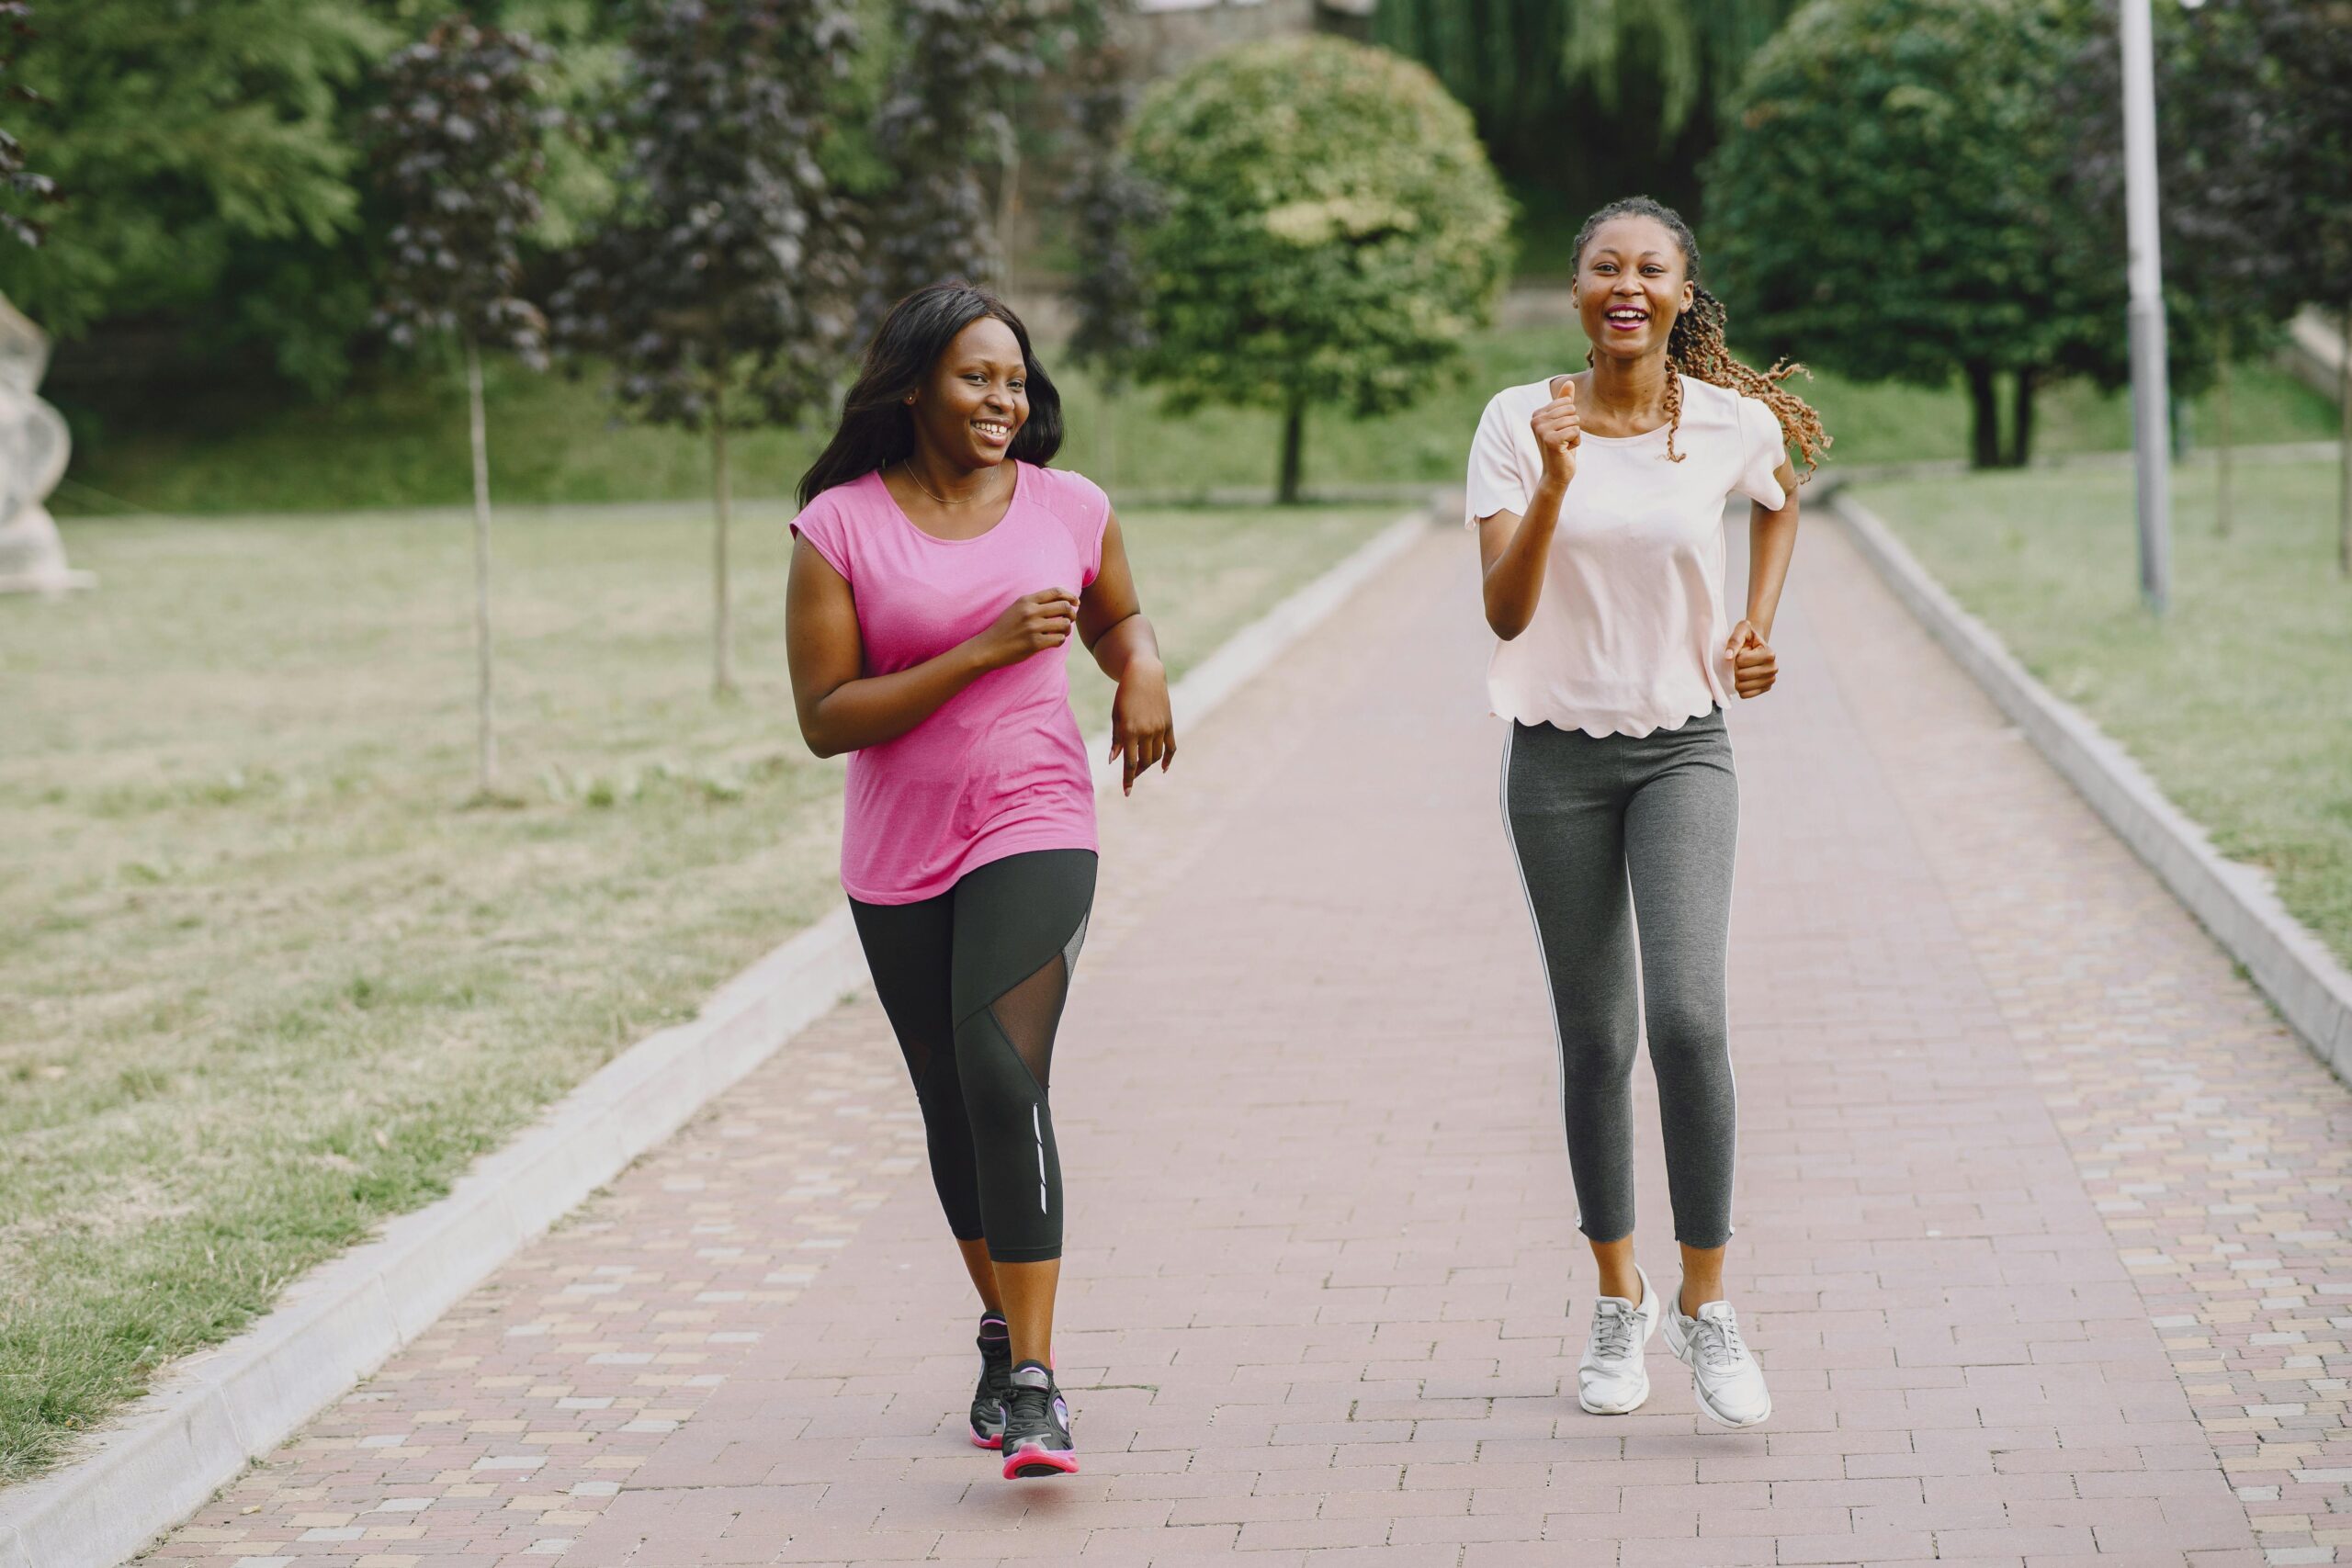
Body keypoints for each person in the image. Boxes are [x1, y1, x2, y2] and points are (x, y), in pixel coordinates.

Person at [786, 282, 1176, 1479]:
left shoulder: (1069, 505)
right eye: (976, 377)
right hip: (898, 850)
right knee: (950, 1102)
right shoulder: (839, 527)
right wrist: (981, 651)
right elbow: (826, 718)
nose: (1003, 398)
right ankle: (1003, 1331)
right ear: (914, 386)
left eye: (1015, 379)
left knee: (1003, 1077)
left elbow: (1118, 618)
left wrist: (1142, 669)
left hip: (1034, 813)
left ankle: (1040, 1385)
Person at [1466, 196, 1829, 1430]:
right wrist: (1557, 481)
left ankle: (1707, 1305)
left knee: (1686, 1016)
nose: (1628, 285)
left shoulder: (1729, 422)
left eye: (1651, 268)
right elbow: (1505, 612)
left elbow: (1781, 497)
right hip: (1554, 759)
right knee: (1597, 1039)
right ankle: (1618, 1297)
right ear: (1577, 290)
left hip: (1684, 749)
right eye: (1605, 267)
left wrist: (1755, 626)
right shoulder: (1518, 421)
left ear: (1682, 292)